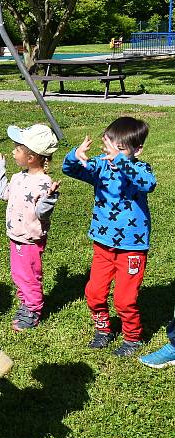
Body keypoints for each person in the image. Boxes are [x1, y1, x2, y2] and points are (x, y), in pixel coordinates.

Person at [62, 117, 156, 357]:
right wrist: (76, 154)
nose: (112, 155)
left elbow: (148, 184)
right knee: (94, 292)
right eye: (109, 149)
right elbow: (69, 169)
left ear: (137, 150)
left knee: (124, 299)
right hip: (103, 245)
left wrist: (123, 162)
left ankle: (133, 338)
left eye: (120, 150)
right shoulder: (101, 167)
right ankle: (103, 330)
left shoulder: (140, 169)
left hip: (132, 247)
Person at [0, 124, 59, 331]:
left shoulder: (44, 184)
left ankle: (33, 310)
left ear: (31, 158)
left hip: (29, 239)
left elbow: (42, 213)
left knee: (28, 275)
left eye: (17, 149)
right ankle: (26, 304)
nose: (13, 152)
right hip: (16, 236)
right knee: (19, 274)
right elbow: (4, 194)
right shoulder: (18, 177)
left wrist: (50, 198)